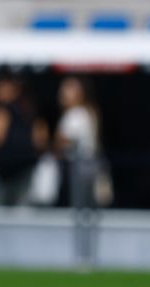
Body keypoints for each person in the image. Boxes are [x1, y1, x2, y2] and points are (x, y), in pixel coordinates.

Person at [0, 73, 48, 206]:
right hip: (18, 171)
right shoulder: (30, 113)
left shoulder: (2, 112)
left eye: (1, 84)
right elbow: (40, 142)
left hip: (8, 173)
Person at [55, 76, 109, 208]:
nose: (62, 92)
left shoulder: (76, 114)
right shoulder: (87, 112)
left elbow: (63, 142)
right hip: (89, 167)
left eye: (69, 89)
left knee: (79, 207)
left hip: (79, 168)